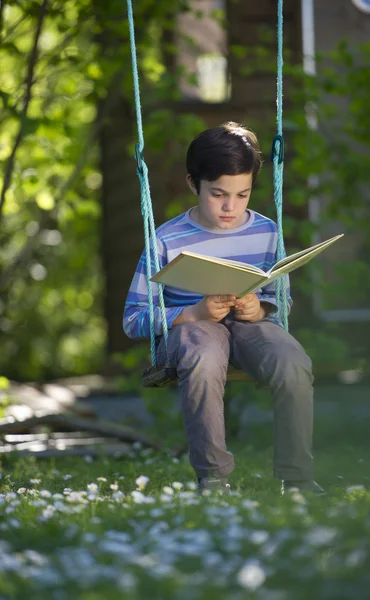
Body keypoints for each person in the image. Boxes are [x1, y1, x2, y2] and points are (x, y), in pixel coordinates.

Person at [123, 122, 325, 496]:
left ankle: (297, 478)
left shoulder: (266, 233)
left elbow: (283, 301)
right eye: (218, 194)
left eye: (243, 194)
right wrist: (191, 314)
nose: (231, 207)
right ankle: (214, 478)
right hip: (193, 331)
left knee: (293, 362)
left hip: (251, 327)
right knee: (202, 354)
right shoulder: (167, 239)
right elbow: (134, 318)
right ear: (192, 183)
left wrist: (260, 309)